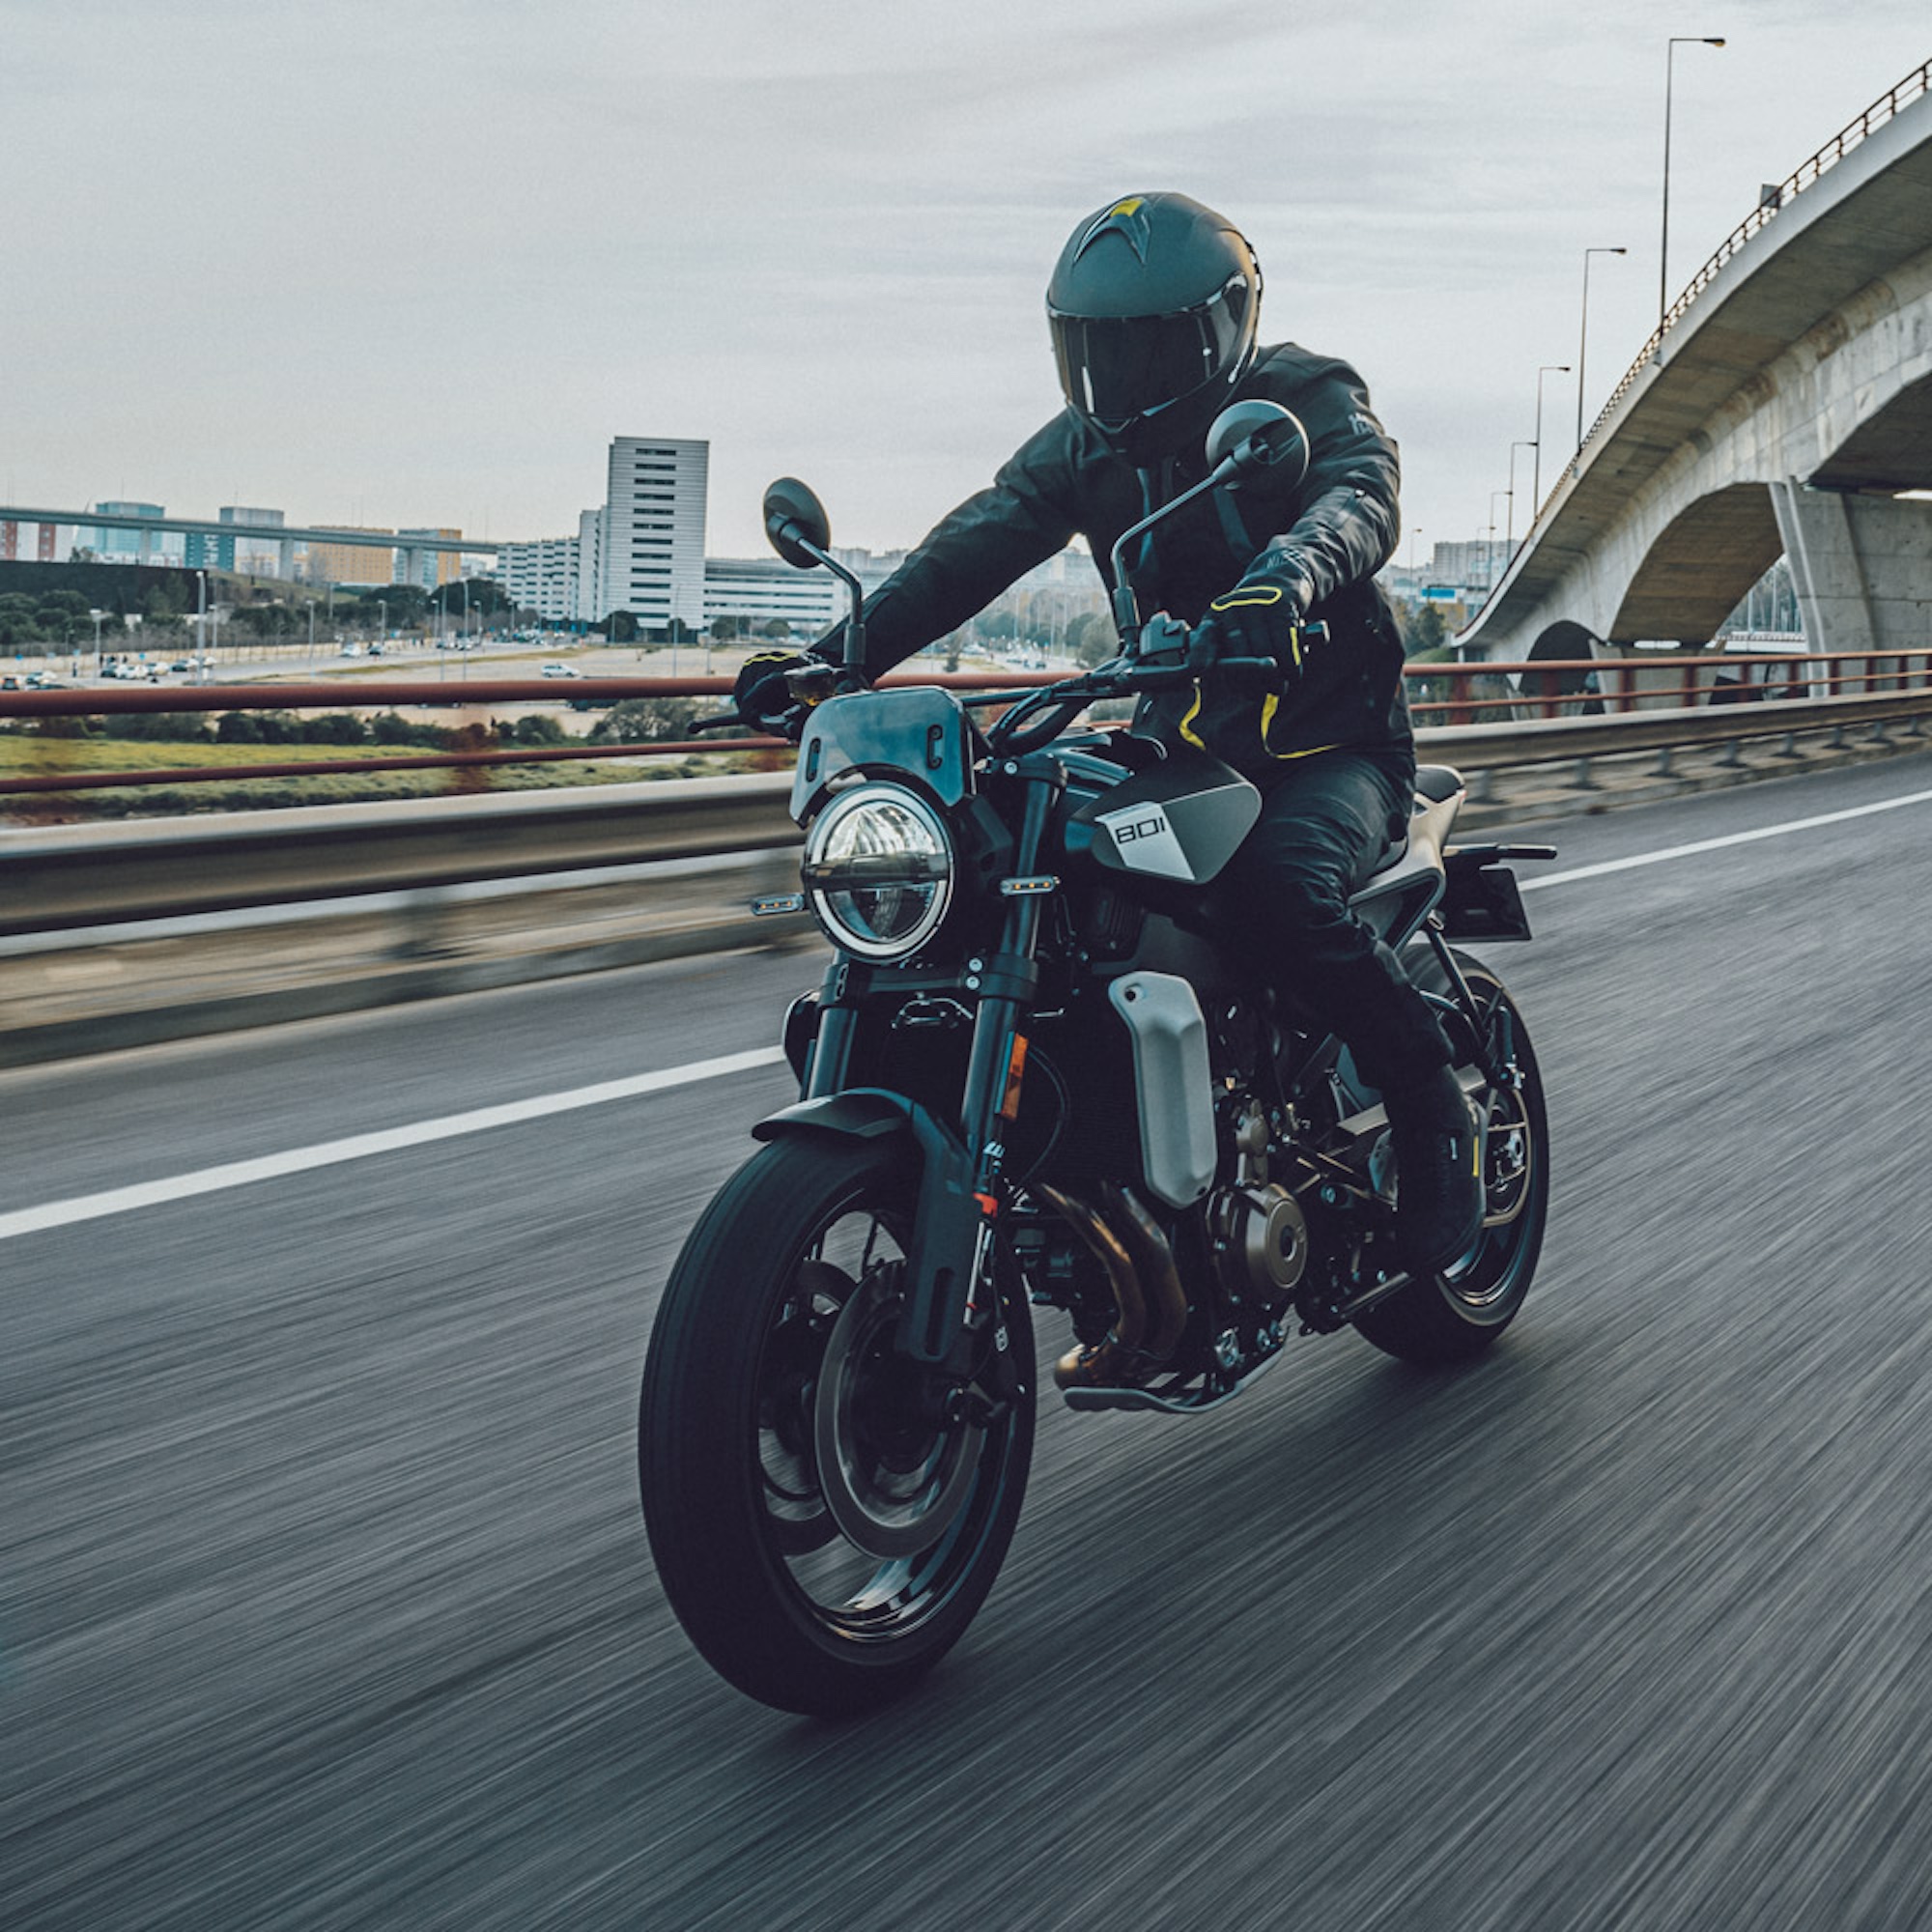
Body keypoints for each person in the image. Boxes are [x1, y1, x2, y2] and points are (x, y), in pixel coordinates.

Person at [737, 190, 1482, 1273]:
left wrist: (1284, 581)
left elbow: (1357, 498)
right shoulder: (1082, 448)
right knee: (1039, 879)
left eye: (1143, 350)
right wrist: (831, 657)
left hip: (1331, 750)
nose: (1117, 381)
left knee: (1277, 891)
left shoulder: (1299, 399)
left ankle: (1428, 1108)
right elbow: (971, 548)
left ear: (1222, 326)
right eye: (1094, 351)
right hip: (1180, 747)